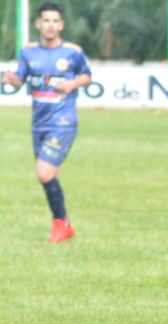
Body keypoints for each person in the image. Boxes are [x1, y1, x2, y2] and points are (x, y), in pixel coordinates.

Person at [2, 2, 92, 243]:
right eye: (46, 20)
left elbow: (87, 75)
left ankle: (60, 223)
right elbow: (20, 79)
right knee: (51, 175)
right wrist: (11, 80)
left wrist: (72, 84)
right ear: (38, 24)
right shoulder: (28, 51)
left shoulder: (72, 51)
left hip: (63, 120)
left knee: (43, 172)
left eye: (55, 21)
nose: (50, 25)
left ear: (61, 25)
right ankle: (64, 224)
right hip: (38, 123)